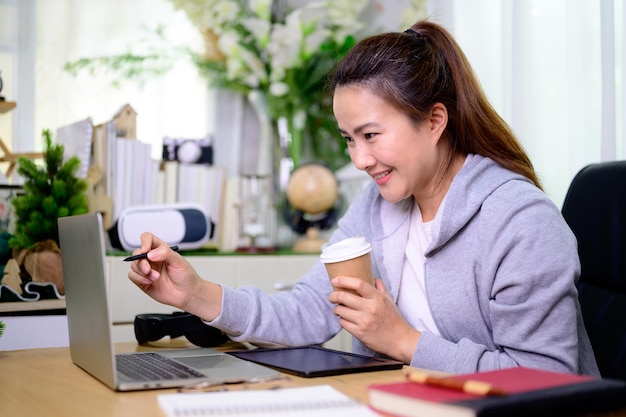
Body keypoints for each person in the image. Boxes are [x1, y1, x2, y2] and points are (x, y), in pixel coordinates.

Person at [128, 20, 599, 376]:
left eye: (371, 134)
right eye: (349, 139)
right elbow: (309, 311)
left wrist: (403, 340)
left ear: (435, 121)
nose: (359, 158)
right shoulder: (377, 209)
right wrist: (197, 294)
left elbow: (546, 379)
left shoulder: (520, 223)